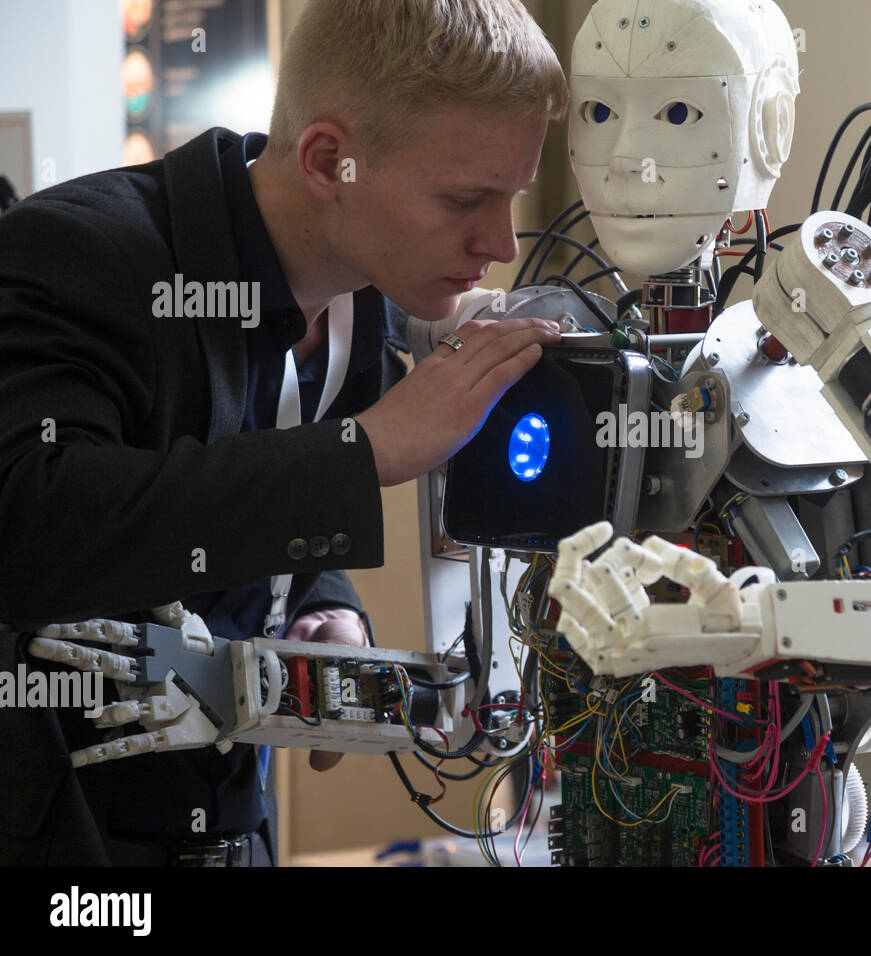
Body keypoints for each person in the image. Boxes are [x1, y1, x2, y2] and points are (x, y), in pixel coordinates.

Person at [0, 0, 565, 866]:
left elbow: (250, 479)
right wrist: (367, 452)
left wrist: (322, 603)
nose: (499, 241)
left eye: (512, 197)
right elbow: (33, 521)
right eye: (465, 199)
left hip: (235, 831)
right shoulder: (75, 253)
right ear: (330, 160)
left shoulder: (369, 291)